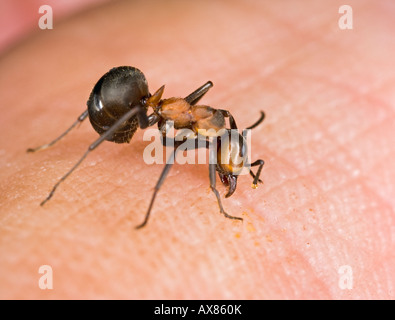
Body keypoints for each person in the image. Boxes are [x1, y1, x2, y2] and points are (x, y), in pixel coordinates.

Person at [0, 0, 393, 299]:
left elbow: (219, 125)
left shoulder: (202, 120)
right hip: (117, 102)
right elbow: (203, 134)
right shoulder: (183, 119)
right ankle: (66, 175)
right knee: (167, 141)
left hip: (146, 103)